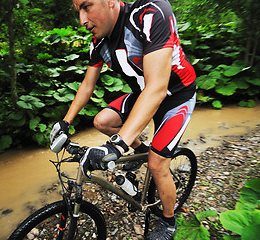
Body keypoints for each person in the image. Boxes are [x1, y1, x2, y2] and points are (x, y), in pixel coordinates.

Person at [50, 0, 196, 239]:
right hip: (142, 94)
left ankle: (169, 221)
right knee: (102, 121)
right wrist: (66, 122)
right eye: (78, 11)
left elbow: (158, 88)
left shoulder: (150, 13)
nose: (82, 20)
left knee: (157, 164)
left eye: (87, 6)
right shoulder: (98, 42)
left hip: (175, 96)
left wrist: (116, 145)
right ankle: (140, 150)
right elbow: (88, 85)